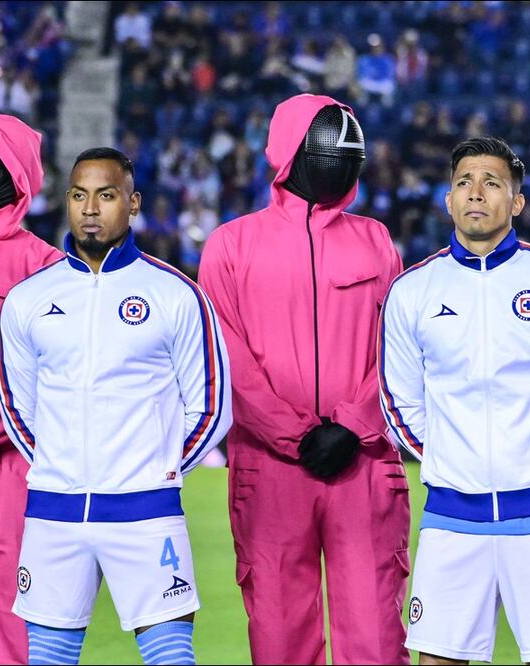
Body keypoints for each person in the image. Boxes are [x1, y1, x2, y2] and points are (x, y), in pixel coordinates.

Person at [379, 137, 530, 665]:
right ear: (448, 200)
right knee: (440, 659)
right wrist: (446, 455)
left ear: (517, 202)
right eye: (464, 182)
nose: (476, 193)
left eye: (492, 183)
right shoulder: (412, 291)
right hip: (452, 513)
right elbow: (399, 399)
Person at [0, 147, 232, 665]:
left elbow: (212, 406)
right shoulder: (28, 299)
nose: (90, 209)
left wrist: (160, 469)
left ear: (133, 202)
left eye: (106, 196)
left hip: (146, 512)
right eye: (79, 196)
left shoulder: (175, 295)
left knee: (170, 657)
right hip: (55, 515)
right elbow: (15, 403)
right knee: (49, 659)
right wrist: (58, 463)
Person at [197, 94, 410, 665]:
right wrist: (294, 434)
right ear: (289, 150)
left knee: (376, 637)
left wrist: (354, 424)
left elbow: (396, 350)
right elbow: (226, 356)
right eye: (325, 147)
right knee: (279, 636)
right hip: (269, 468)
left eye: (348, 150)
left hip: (363, 461)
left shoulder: (376, 240)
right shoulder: (231, 244)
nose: (338, 159)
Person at [0, 114, 62, 665]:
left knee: (22, 618)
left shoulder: (49, 268)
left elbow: (61, 379)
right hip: (13, 459)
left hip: (18, 463)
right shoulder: (48, 268)